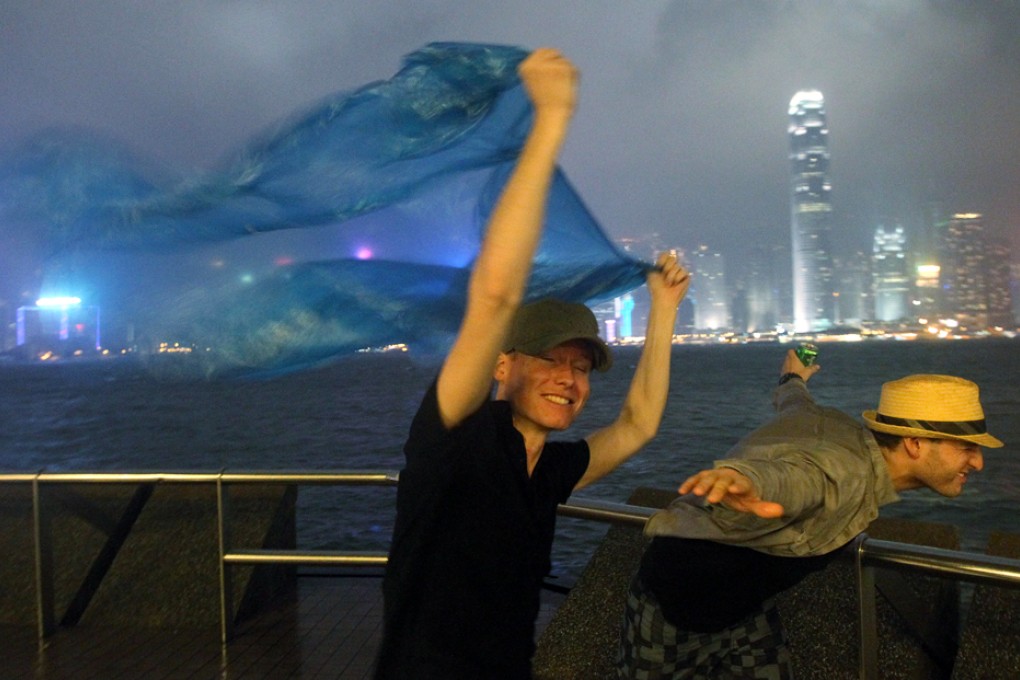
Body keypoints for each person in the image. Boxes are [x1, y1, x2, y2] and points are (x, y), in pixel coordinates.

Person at [373, 48, 691, 680]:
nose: (568, 378)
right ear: (501, 365)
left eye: (580, 366)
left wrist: (664, 310)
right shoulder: (454, 439)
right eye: (548, 359)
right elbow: (495, 295)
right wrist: (548, 122)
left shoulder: (546, 469)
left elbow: (637, 427)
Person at [616, 349, 1003, 680]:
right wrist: (746, 480)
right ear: (916, 443)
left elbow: (796, 406)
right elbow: (797, 479)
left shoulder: (840, 428)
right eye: (965, 447)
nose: (979, 462)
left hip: (746, 611)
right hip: (676, 607)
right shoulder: (843, 473)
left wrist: (792, 378)